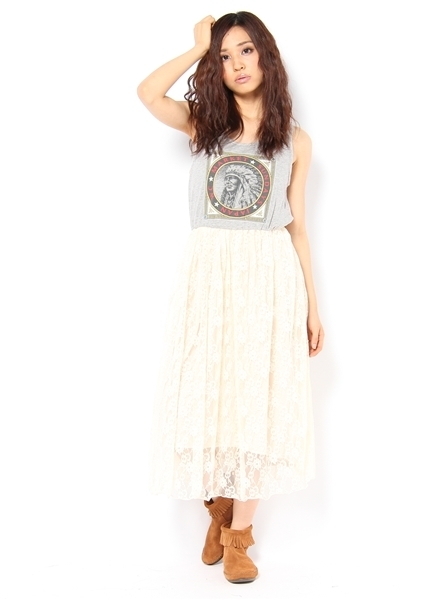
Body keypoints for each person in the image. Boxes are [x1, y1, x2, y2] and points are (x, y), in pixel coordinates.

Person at [137, 12, 324, 584]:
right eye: (224, 56)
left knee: (258, 398)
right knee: (209, 390)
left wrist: (314, 306)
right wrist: (198, 48)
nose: (236, 64)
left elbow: (297, 227)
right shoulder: (204, 126)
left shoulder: (294, 140)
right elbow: (148, 93)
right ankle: (217, 509)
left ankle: (239, 536)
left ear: (266, 54)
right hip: (210, 273)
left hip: (269, 276)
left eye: (245, 50)